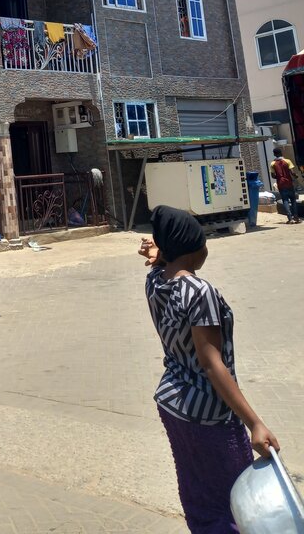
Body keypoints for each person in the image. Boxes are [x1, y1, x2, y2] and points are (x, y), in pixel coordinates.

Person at [139, 205, 279, 534]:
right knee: (236, 499)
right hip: (209, 411)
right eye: (203, 242)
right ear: (192, 248)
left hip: (173, 402)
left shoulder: (155, 283)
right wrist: (254, 423)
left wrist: (159, 253)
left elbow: (162, 265)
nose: (207, 247)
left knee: (197, 491)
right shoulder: (200, 292)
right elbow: (211, 363)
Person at [270, 146, 300, 224]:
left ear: (274, 154)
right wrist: (296, 176)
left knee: (285, 201)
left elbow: (273, 175)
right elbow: (292, 172)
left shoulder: (273, 163)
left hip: (281, 184)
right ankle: (296, 217)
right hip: (289, 183)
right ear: (281, 153)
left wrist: (279, 176)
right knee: (293, 200)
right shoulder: (287, 161)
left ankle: (290, 219)